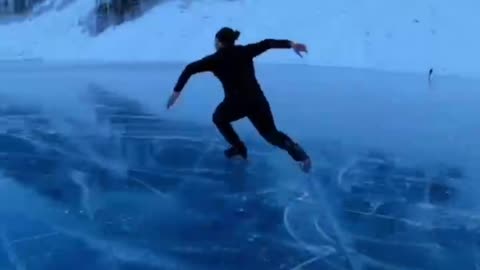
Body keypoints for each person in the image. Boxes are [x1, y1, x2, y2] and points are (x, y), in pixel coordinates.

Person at [166, 27, 311, 172]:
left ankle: (239, 148)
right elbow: (267, 43)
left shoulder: (215, 59)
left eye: (216, 41)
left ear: (220, 43)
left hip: (236, 103)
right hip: (257, 100)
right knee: (271, 134)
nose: (214, 43)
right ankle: (299, 155)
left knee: (219, 118)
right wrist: (291, 44)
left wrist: (176, 92)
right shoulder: (245, 51)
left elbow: (189, 68)